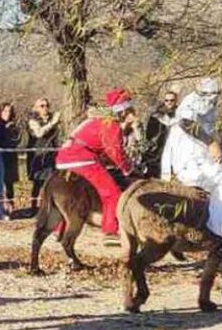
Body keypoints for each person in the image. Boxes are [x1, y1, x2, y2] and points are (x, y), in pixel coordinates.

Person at [161, 78, 222, 255]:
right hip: (188, 160)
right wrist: (212, 144)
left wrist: (218, 147)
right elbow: (187, 124)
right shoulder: (191, 104)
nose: (215, 101)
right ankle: (221, 233)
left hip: (199, 155)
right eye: (213, 98)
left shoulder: (206, 106)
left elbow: (208, 131)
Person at [55, 89, 134, 246]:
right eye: (129, 110)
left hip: (64, 158)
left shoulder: (95, 121)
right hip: (81, 158)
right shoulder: (111, 125)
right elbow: (114, 152)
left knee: (75, 193)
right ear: (123, 111)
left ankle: (60, 228)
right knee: (112, 193)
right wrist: (128, 169)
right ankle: (110, 231)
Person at [25, 98, 61, 215]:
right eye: (42, 106)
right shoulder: (33, 120)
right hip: (38, 155)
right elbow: (39, 133)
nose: (45, 108)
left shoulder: (52, 119)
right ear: (36, 108)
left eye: (47, 105)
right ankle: (33, 209)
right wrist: (52, 123)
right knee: (38, 182)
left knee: (50, 182)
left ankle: (49, 208)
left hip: (51, 154)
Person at [141, 90, 178, 177]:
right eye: (166, 100)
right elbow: (149, 133)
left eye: (171, 100)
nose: (169, 102)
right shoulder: (157, 115)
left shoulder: (180, 114)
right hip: (159, 145)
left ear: (176, 101)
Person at [0, 103, 22, 216]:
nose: (7, 114)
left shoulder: (14, 126)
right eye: (5, 111)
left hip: (11, 157)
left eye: (9, 111)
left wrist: (13, 131)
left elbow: (17, 140)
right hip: (0, 156)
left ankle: (11, 208)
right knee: (0, 183)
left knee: (9, 183)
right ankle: (2, 208)